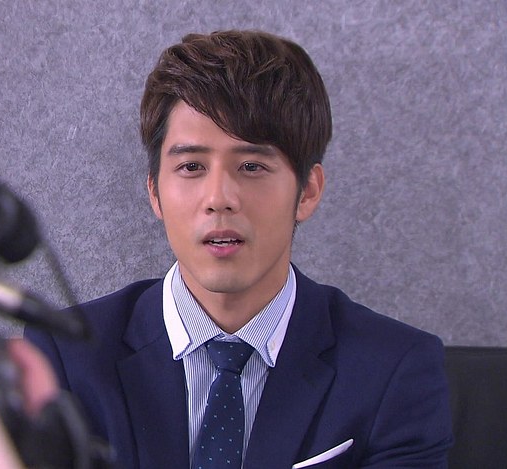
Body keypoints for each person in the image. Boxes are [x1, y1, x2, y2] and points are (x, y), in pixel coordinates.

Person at [25, 29, 453, 468]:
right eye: (191, 166)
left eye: (251, 166)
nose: (219, 198)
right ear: (154, 191)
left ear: (307, 191)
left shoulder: (394, 369)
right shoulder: (65, 357)